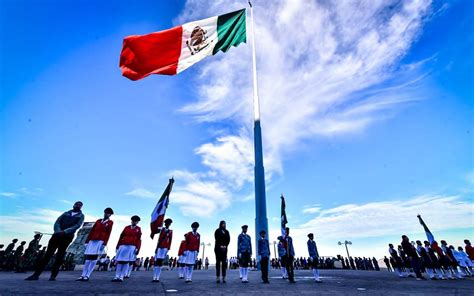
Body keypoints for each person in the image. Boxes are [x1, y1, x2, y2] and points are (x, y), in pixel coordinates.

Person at [25, 201, 84, 281]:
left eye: (79, 205)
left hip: (67, 237)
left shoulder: (81, 216)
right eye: (76, 204)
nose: (77, 206)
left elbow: (77, 226)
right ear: (73, 205)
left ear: (81, 207)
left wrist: (65, 232)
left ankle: (53, 276)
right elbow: (57, 222)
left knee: (60, 256)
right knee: (47, 255)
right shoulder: (66, 213)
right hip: (56, 235)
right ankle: (36, 274)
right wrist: (58, 231)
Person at [78, 207, 114, 281]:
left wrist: (104, 243)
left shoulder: (110, 222)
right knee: (88, 258)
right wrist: (87, 241)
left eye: (108, 213)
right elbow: (92, 231)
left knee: (94, 258)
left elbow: (108, 233)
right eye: (105, 212)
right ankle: (83, 274)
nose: (106, 214)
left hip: (100, 240)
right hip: (92, 240)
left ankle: (87, 275)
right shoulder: (98, 221)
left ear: (110, 215)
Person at [112, 215, 142, 282]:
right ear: (131, 221)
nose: (134, 222)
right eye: (133, 221)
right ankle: (116, 276)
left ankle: (121, 277)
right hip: (123, 245)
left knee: (126, 262)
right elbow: (121, 236)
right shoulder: (126, 227)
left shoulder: (138, 229)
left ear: (137, 222)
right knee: (120, 261)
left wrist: (137, 248)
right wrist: (117, 246)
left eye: (136, 221)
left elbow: (139, 239)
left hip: (132, 246)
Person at [152, 218, 173, 282]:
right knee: (156, 262)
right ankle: (154, 277)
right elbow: (156, 229)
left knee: (160, 263)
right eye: (167, 223)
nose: (168, 225)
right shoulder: (162, 229)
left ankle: (157, 277)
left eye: (169, 224)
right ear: (165, 223)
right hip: (159, 246)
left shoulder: (170, 231)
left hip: (165, 247)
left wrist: (168, 248)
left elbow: (170, 240)